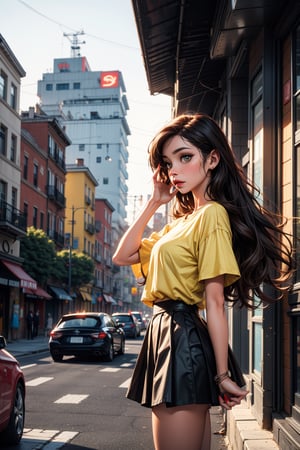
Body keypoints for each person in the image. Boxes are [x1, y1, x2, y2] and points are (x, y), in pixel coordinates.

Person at [113, 114, 294, 450]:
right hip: (170, 337)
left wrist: (223, 376)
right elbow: (123, 257)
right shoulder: (180, 223)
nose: (174, 171)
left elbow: (214, 301)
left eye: (185, 157)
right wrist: (155, 201)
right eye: (168, 163)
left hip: (182, 340)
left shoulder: (211, 215)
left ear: (212, 159)